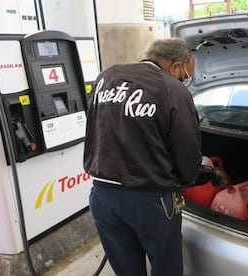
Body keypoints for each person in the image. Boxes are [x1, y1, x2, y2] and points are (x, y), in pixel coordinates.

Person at [83, 38, 203, 276]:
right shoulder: (172, 88)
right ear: (175, 67)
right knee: (166, 268)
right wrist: (191, 177)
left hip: (103, 196)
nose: (184, 81)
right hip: (150, 199)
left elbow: (98, 125)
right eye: (186, 75)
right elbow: (187, 147)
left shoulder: (106, 77)